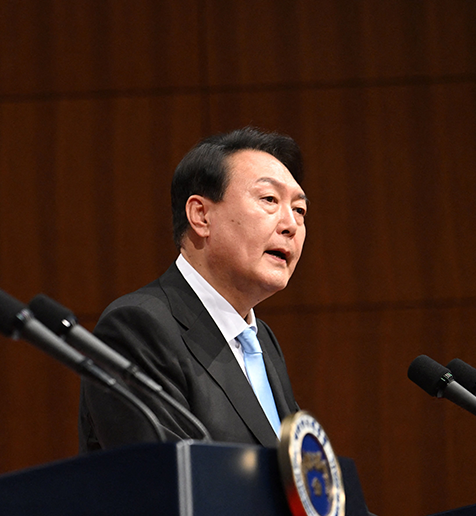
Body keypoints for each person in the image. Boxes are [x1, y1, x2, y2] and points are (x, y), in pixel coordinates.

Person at [80, 127, 307, 451]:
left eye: (300, 210)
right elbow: (169, 481)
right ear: (201, 215)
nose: (291, 225)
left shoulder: (261, 342)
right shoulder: (138, 327)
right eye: (269, 199)